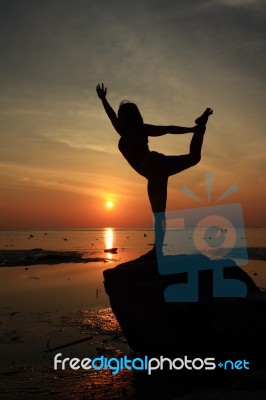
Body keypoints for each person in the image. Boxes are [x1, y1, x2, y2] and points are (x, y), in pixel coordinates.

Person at [96, 83, 212, 250]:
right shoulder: (124, 130)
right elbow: (111, 115)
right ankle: (159, 248)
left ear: (129, 117)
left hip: (156, 165)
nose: (119, 117)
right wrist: (103, 100)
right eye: (120, 115)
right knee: (159, 212)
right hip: (153, 173)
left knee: (193, 159)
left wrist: (190, 129)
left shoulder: (140, 129)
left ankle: (200, 127)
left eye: (122, 114)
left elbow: (168, 129)